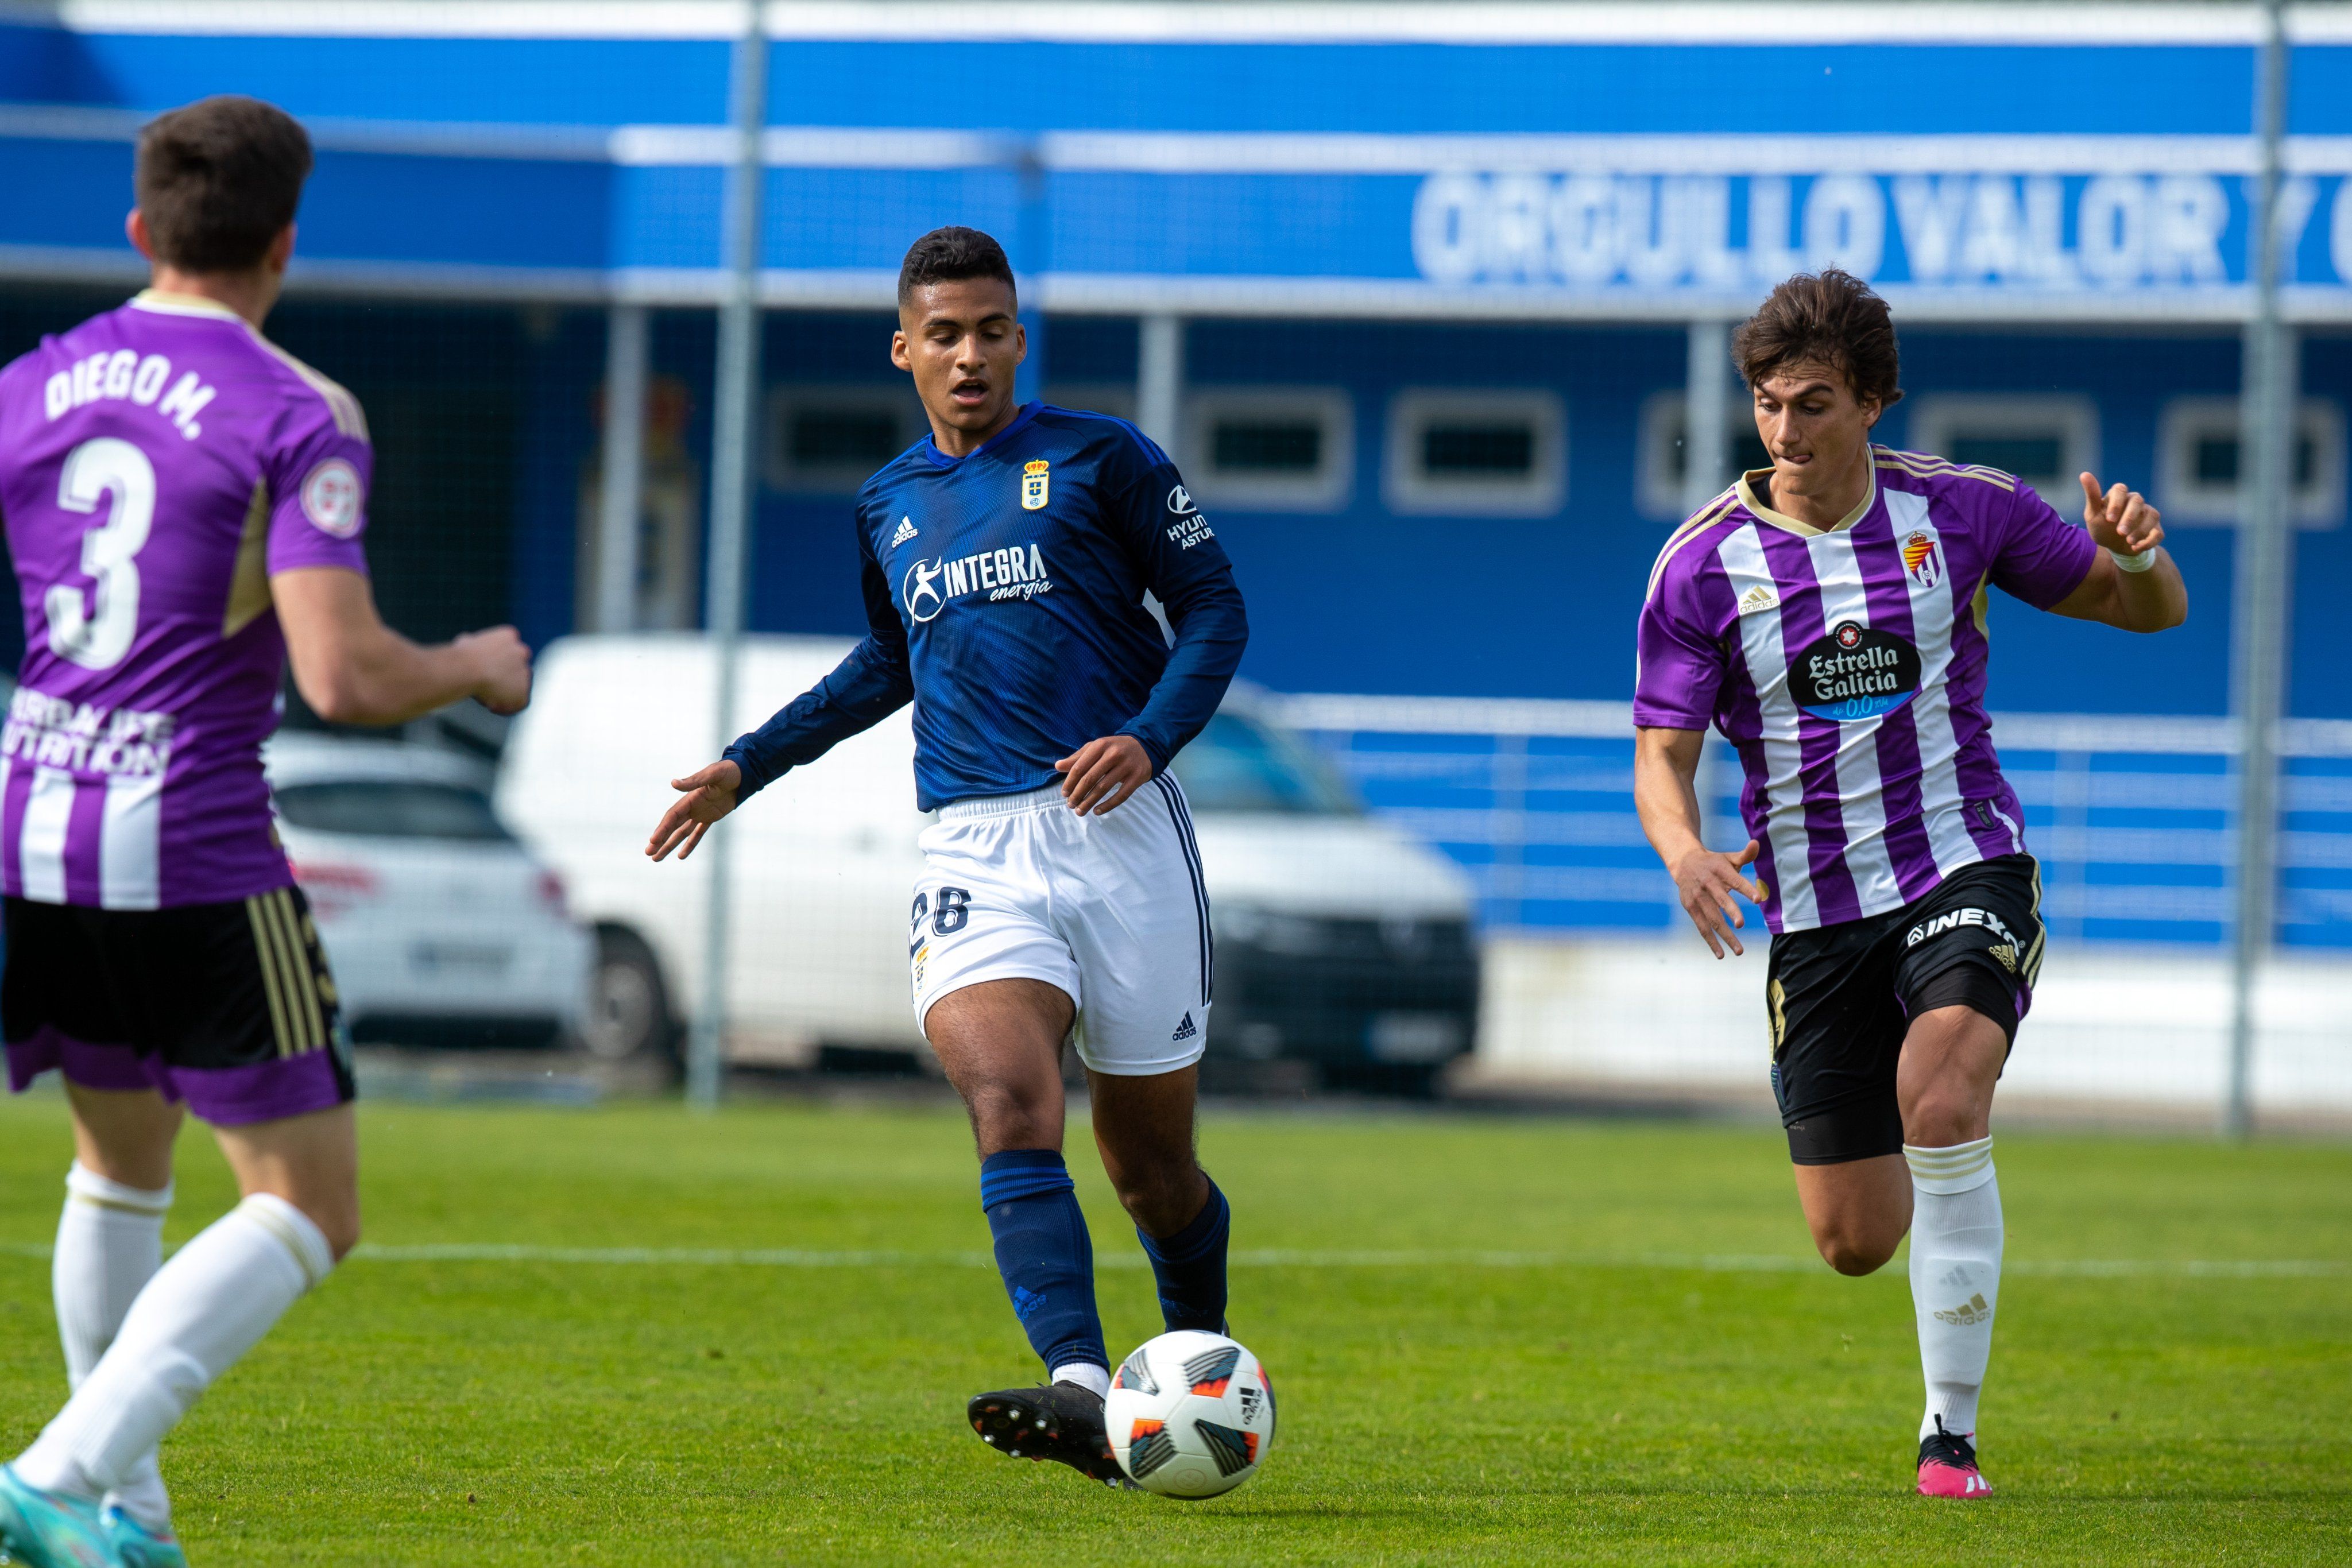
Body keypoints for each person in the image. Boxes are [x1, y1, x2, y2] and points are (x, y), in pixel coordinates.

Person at [0, 96, 532, 1568]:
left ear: (139, 228)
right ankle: (58, 1472)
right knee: (308, 1205)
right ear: (285, 242)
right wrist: (475, 663)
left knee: (119, 1168)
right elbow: (343, 678)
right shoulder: (297, 408)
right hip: (191, 843)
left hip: (36, 832)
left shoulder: (29, 383)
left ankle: (127, 1515)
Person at [647, 226, 1247, 1486]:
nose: (967, 356)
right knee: (1007, 1101)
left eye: (988, 331)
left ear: (1018, 339)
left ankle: (1198, 1363)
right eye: (943, 335)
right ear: (903, 350)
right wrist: (750, 763)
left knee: (1150, 1172)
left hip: (1121, 830)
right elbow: (888, 661)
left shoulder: (1102, 458)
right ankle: (1082, 1385)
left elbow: (1214, 609)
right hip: (973, 842)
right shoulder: (887, 503)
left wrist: (1147, 739)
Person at [1632, 270, 2185, 1500]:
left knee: (1939, 1097)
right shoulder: (1702, 565)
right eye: (1767, 403)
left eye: (1813, 404)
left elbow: (2144, 612)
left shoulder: (1966, 510)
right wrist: (1681, 850)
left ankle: (1948, 1437)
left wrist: (2138, 558)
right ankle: (1925, 1234)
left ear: (1872, 402)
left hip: (1960, 860)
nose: (1784, 431)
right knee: (1853, 1239)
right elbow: (1660, 756)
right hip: (1817, 915)